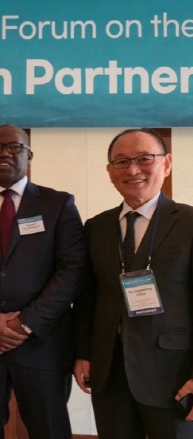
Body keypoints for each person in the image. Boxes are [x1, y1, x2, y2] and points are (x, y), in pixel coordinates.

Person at [0, 124, 86, 439]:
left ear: (29, 155)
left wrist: (25, 323)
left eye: (14, 146)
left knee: (50, 430)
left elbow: (73, 269)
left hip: (42, 345)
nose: (4, 152)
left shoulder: (58, 204)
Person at [74, 128, 193, 438]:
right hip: (109, 373)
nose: (133, 169)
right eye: (122, 161)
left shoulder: (189, 223)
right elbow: (88, 297)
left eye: (144, 159)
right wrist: (83, 353)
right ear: (110, 171)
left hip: (174, 375)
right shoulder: (96, 227)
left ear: (167, 163)